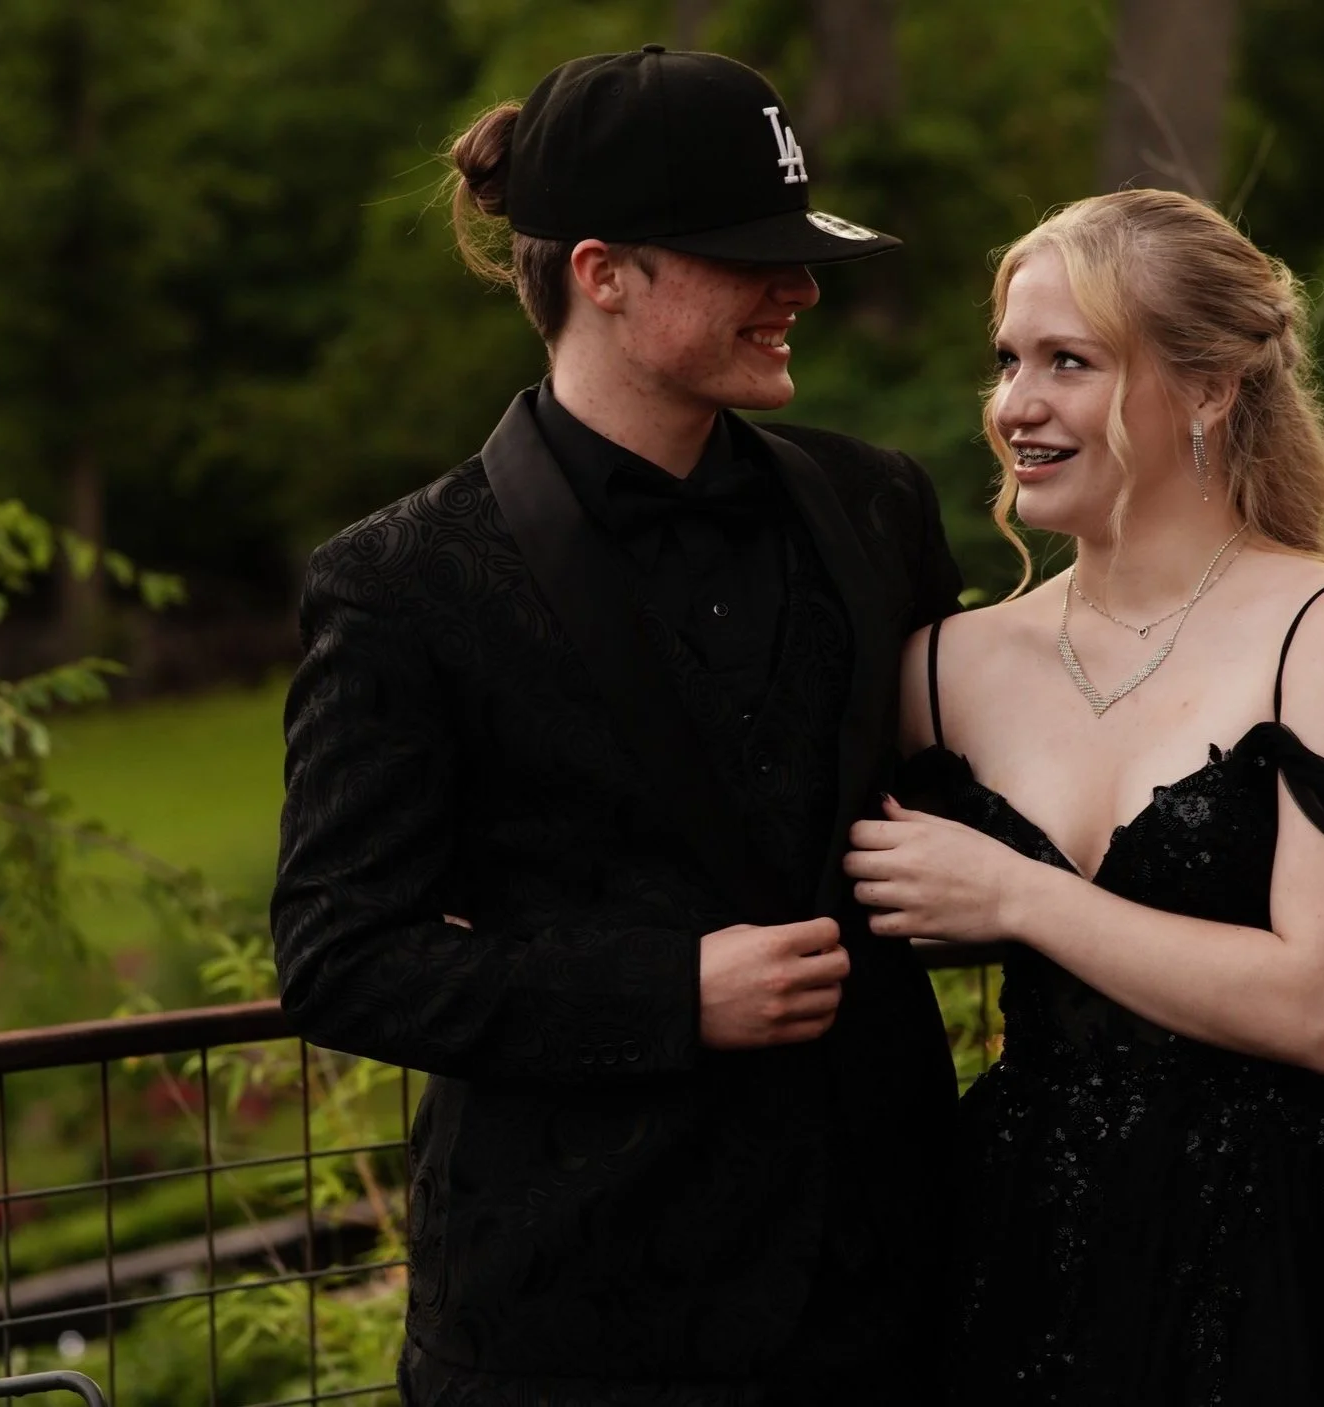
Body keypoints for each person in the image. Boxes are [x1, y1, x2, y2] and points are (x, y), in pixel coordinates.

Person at [270, 47, 965, 1407]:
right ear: (602, 272)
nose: (802, 290)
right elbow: (342, 955)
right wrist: (669, 994)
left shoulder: (876, 502)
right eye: (752, 256)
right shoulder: (400, 580)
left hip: (887, 1294)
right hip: (575, 1325)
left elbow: (956, 801)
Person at [845, 189, 1324, 1405]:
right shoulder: (942, 669)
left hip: (1281, 1253)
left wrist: (1019, 898)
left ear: (1207, 389)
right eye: (1009, 360)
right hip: (1016, 1248)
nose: (1014, 405)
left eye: (1068, 362)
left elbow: (1322, 1007)